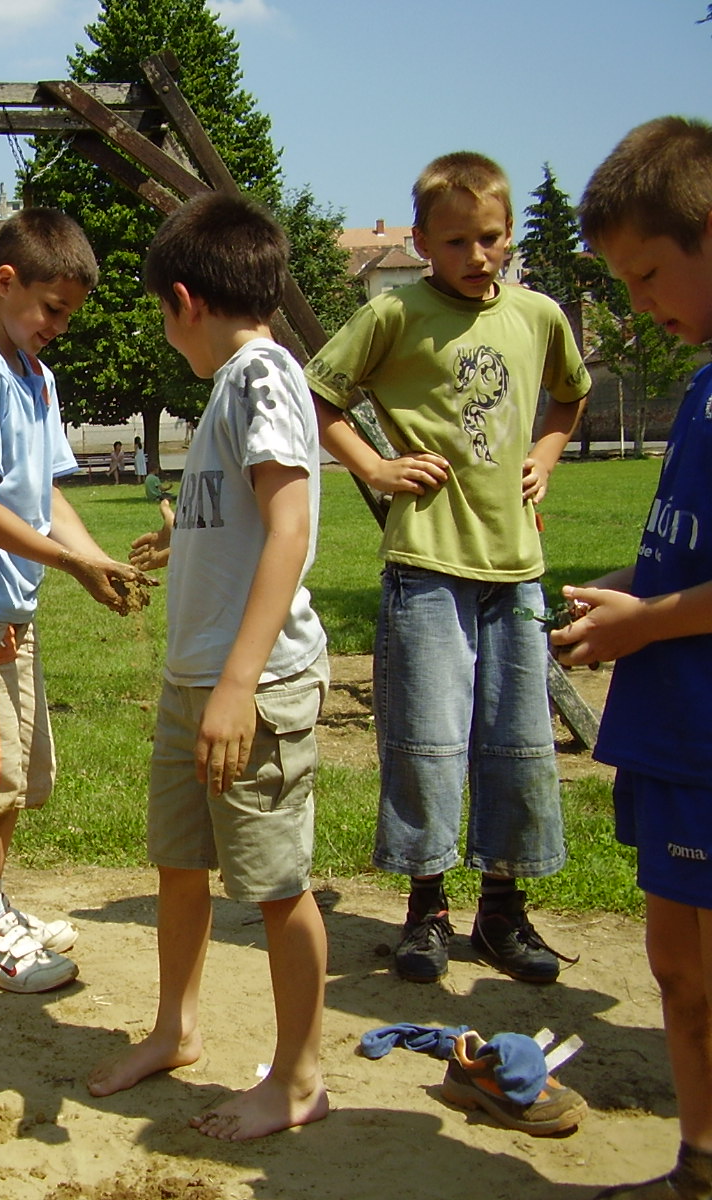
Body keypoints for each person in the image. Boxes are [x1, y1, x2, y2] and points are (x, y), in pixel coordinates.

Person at [304, 151, 590, 985]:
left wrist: (547, 453)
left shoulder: (539, 316)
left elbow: (569, 393)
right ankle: (426, 910)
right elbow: (320, 397)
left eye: (491, 238)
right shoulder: (394, 312)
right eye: (457, 241)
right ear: (423, 242)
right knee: (426, 743)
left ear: (509, 238)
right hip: (427, 566)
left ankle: (502, 912)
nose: (476, 255)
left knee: (518, 743)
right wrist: (376, 467)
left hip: (515, 570)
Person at [85, 194, 330, 1141]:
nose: (163, 328)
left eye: (160, 312)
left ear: (184, 300)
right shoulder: (234, 385)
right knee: (180, 864)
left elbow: (290, 528)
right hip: (194, 685)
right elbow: (241, 521)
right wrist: (178, 537)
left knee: (275, 887)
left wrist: (237, 686)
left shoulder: (263, 375)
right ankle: (175, 1030)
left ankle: (299, 1078)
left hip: (251, 691)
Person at [0, 207, 145, 994]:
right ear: (5, 282)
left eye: (68, 314)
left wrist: (94, 557)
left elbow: (44, 495)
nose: (59, 327)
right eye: (52, 309)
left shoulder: (33, 374)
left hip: (5, 601)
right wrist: (72, 565)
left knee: (11, 768)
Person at [551, 115, 712, 1200]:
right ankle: (697, 1162)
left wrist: (642, 624)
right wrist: (628, 594)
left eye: (649, 273)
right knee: (674, 969)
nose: (642, 302)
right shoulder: (699, 387)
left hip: (705, 735)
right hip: (669, 733)